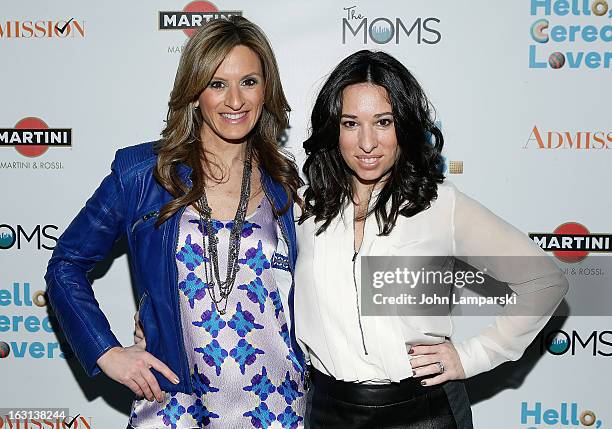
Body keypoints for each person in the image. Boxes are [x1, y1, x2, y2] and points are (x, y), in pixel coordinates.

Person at [45, 17, 306, 429]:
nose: (235, 100)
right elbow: (66, 264)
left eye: (249, 81)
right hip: (175, 406)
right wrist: (106, 351)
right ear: (194, 91)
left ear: (267, 89)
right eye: (217, 83)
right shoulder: (142, 175)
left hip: (277, 405)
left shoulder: (286, 182)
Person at [294, 50, 569, 428]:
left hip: (423, 412)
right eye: (351, 123)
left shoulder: (438, 206)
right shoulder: (305, 209)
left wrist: (473, 355)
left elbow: (544, 280)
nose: (368, 142)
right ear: (333, 129)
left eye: (383, 122)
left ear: (403, 127)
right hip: (329, 412)